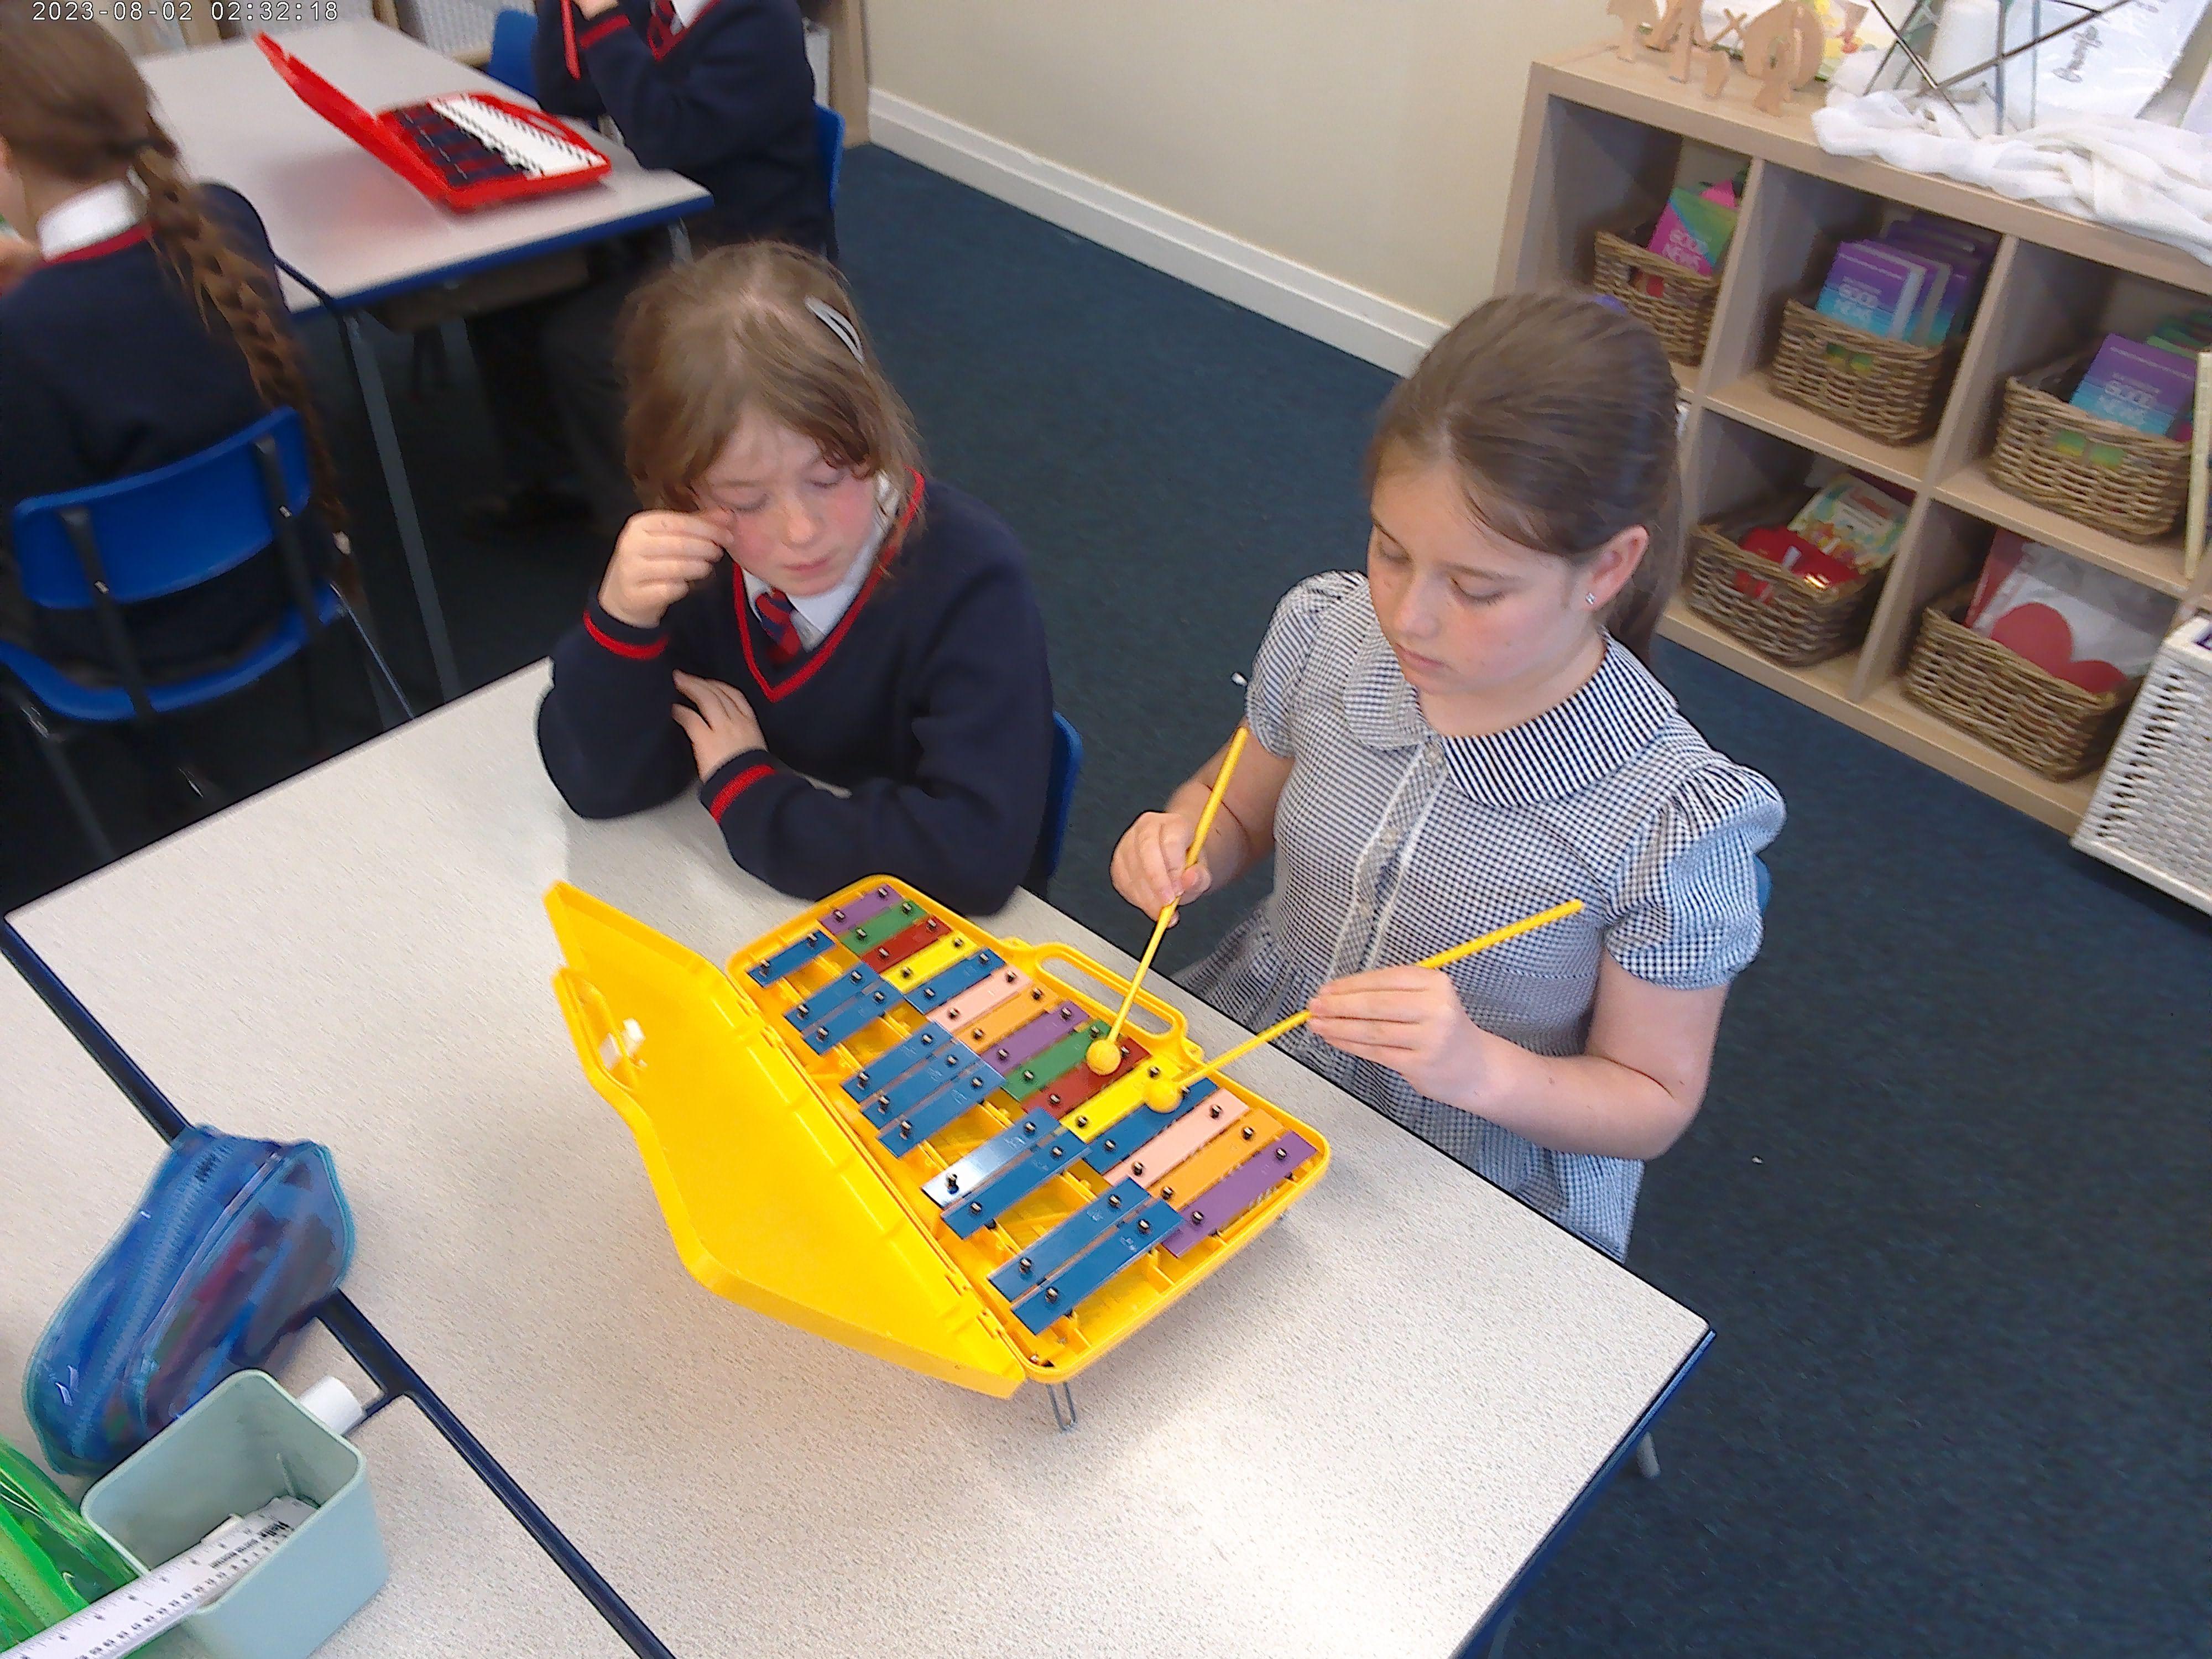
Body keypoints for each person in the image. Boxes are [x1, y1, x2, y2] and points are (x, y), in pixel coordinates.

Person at [1111, 291, 1785, 1260]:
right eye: (1391, 552)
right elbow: (1234, 813)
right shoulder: (1328, 634)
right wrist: (1187, 844)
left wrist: (1478, 1070)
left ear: (1606, 570)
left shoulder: (1672, 822)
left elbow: (1651, 1099)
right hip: (1264, 1054)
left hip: (1473, 1156)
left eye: (1476, 588)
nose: (1408, 617)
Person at [536, 243, 1054, 913]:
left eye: (829, 477)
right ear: (677, 490)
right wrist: (620, 623)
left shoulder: (970, 576)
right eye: (747, 500)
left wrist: (751, 796)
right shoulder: (698, 557)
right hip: (750, 906)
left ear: (876, 433)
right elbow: (600, 784)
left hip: (919, 942)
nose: (800, 530)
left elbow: (975, 856)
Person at [0, 8, 346, 676]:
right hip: (286, 567)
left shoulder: (22, 334)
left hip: (136, 635)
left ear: (5, 151)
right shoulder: (224, 224)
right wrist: (44, 271)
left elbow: (27, 524)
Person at [462, 0, 827, 541]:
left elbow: (664, 137)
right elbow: (566, 94)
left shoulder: (760, 21)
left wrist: (604, 18)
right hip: (661, 222)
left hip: (744, 250)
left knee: (584, 346)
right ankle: (555, 479)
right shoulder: (652, 9)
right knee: (503, 297)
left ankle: (652, 534)